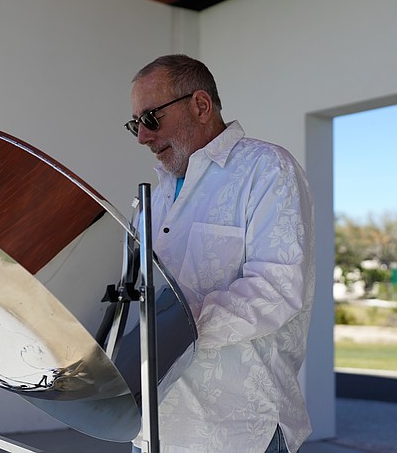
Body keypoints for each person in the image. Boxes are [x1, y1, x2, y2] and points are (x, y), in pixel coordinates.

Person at [125, 54, 315, 453]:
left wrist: (171, 330)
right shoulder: (152, 201)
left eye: (151, 119)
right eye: (136, 124)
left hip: (239, 429)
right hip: (155, 428)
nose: (143, 137)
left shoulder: (267, 170)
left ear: (200, 106)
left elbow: (276, 288)